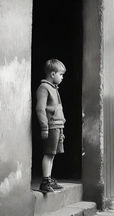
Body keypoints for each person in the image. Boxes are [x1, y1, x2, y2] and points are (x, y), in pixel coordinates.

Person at [36, 59, 66, 192]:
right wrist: (44, 127)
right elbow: (40, 109)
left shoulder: (54, 88)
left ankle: (48, 178)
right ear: (53, 74)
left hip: (58, 125)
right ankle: (45, 182)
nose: (62, 77)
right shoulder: (44, 88)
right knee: (48, 154)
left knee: (52, 154)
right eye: (61, 74)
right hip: (51, 126)